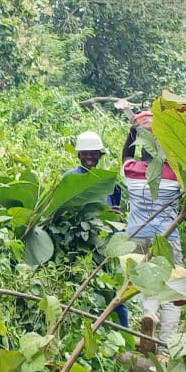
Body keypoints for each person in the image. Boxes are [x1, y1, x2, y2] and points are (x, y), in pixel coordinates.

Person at [121, 111, 183, 358]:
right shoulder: (175, 172)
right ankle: (165, 349)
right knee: (173, 289)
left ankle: (148, 313)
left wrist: (132, 131)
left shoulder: (131, 170)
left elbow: (126, 155)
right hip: (166, 236)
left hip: (136, 235)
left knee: (144, 283)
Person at [63, 130, 127, 326]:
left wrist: (115, 215)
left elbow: (115, 208)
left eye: (93, 153)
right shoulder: (71, 178)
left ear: (100, 154)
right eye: (85, 153)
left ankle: (124, 330)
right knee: (83, 288)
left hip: (106, 242)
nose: (89, 157)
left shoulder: (108, 180)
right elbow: (63, 207)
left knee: (114, 289)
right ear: (79, 154)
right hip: (80, 242)